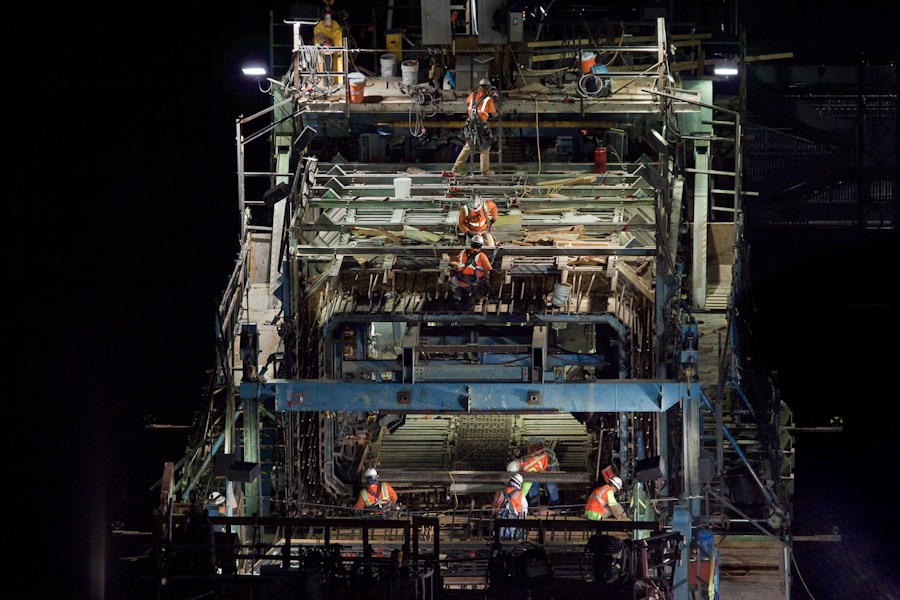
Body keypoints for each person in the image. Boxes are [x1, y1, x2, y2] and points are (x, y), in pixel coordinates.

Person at [446, 78, 500, 176]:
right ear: (488, 88)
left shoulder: (472, 95)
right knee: (484, 147)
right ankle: (485, 171)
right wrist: (499, 112)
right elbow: (493, 114)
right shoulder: (488, 99)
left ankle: (456, 169)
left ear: (479, 87)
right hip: (481, 125)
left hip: (470, 124)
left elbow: (468, 103)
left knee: (468, 146)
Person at [451, 234, 493, 305]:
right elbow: (487, 271)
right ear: (481, 246)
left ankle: (456, 297)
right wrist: (488, 281)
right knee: (484, 286)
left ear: (471, 243)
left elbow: (457, 264)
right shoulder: (481, 256)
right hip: (474, 283)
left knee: (454, 281)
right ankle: (478, 300)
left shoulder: (463, 252)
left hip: (460, 281)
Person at [313, 8, 343, 87]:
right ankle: (324, 82)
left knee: (332, 64)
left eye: (329, 17)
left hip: (331, 50)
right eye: (326, 16)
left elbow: (337, 35)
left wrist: (334, 45)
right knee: (324, 64)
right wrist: (323, 40)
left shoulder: (336, 26)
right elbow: (317, 35)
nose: (328, 20)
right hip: (324, 50)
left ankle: (334, 81)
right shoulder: (319, 26)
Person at [493, 473, 528, 540]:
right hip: (513, 521)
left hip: (499, 518)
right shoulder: (520, 494)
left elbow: (494, 507)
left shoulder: (499, 492)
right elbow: (524, 510)